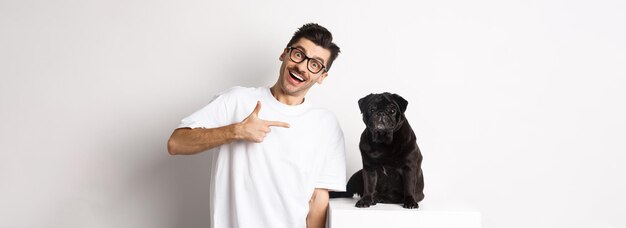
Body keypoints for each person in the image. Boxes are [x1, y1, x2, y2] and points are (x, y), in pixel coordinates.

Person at [167, 23, 346, 228]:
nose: (302, 66)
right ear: (284, 54)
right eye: (298, 54)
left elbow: (317, 201)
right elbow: (176, 143)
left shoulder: (326, 125)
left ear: (322, 76)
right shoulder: (237, 100)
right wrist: (236, 131)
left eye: (314, 64)